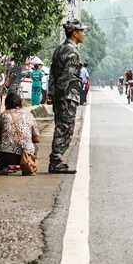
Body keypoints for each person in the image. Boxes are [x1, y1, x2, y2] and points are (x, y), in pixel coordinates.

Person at [47, 19, 85, 174]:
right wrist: (58, 94)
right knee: (65, 129)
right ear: (74, 33)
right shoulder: (73, 52)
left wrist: (51, 92)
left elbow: (52, 74)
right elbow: (65, 76)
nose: (84, 34)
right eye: (82, 31)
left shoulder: (59, 49)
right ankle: (56, 161)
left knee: (60, 126)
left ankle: (56, 160)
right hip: (67, 96)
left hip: (60, 95)